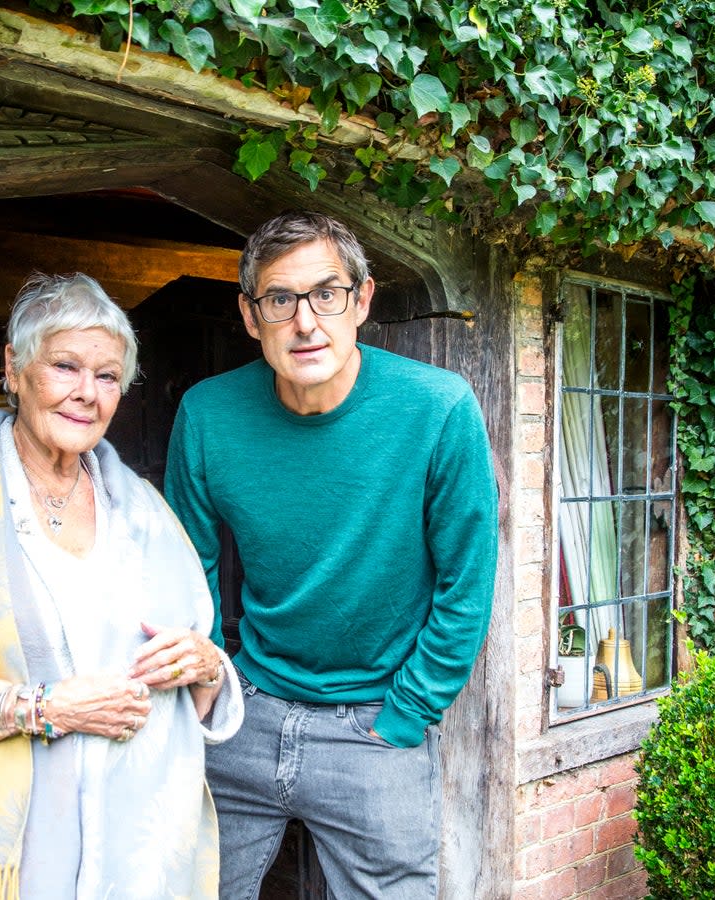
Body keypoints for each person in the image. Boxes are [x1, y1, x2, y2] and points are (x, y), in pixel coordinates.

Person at [0, 272, 243, 900]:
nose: (86, 394)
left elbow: (198, 669)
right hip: (6, 850)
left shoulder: (144, 509)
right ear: (15, 368)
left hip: (135, 849)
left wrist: (207, 666)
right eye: (65, 367)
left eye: (106, 377)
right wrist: (43, 710)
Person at [164, 211, 499, 898]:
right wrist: (209, 683)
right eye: (280, 300)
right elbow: (182, 564)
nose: (306, 322)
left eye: (327, 294)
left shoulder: (438, 409)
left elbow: (467, 584)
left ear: (363, 300)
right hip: (243, 716)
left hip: (376, 729)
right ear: (251, 316)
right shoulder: (207, 415)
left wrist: (407, 713)